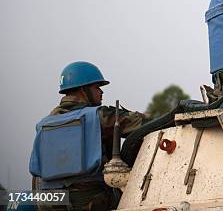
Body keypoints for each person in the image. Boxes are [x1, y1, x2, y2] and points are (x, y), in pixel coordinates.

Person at [29, 61, 148, 211]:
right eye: (97, 87)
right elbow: (147, 124)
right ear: (83, 89)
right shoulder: (99, 117)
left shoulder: (43, 124)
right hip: (90, 201)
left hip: (48, 202)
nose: (101, 92)